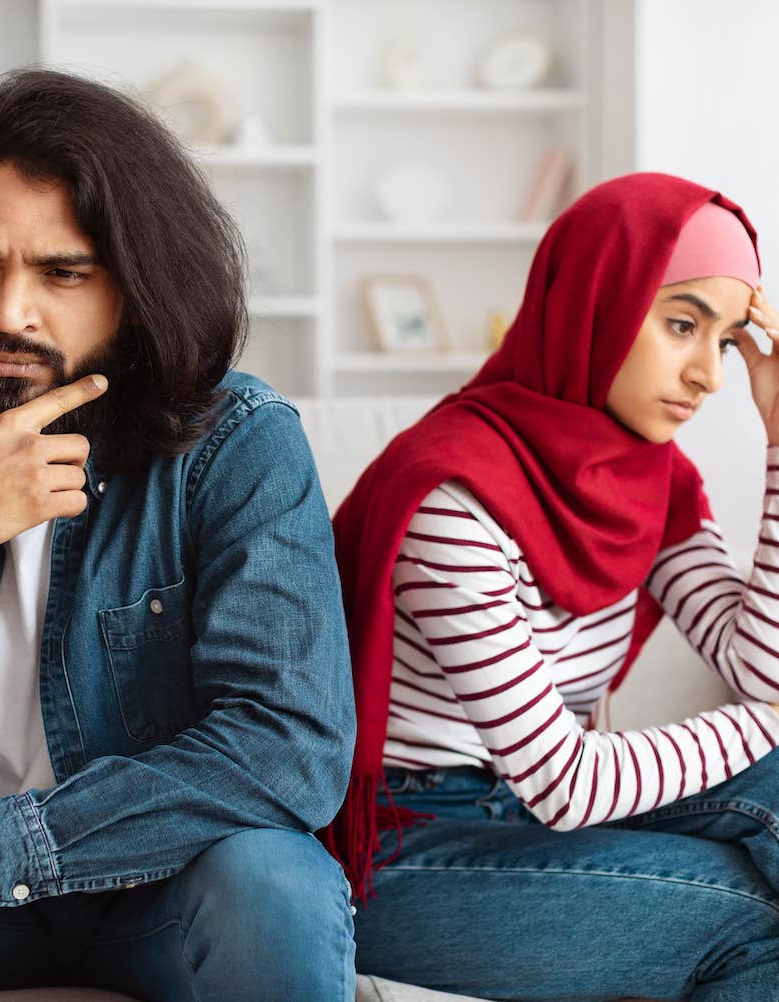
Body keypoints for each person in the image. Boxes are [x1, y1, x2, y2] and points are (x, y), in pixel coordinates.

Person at [0, 68, 356, 1000]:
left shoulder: (235, 443)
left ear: (134, 283)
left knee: (274, 886)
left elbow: (289, 746)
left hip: (157, 886)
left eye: (61, 271)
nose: (9, 311)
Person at [326, 172, 779, 1001]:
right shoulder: (449, 497)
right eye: (681, 324)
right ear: (597, 306)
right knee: (752, 914)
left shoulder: (655, 480)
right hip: (409, 844)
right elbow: (566, 784)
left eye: (721, 341)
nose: (709, 377)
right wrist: (767, 722)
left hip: (525, 817)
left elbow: (763, 671)